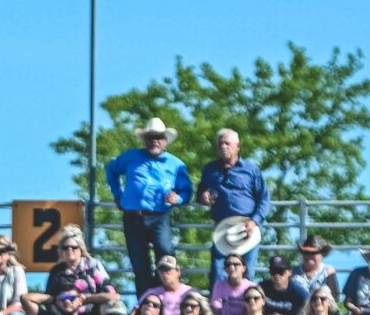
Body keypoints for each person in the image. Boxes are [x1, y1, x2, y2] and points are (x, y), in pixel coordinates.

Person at [104, 118, 191, 298]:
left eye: (159, 137)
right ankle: (145, 303)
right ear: (145, 140)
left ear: (165, 140)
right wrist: (117, 193)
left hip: (159, 217)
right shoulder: (131, 157)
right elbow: (111, 169)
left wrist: (178, 198)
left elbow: (187, 190)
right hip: (133, 217)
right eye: (151, 137)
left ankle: (166, 300)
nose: (155, 141)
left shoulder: (176, 165)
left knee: (166, 257)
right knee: (139, 264)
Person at [196, 129, 268, 286]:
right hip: (222, 229)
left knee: (246, 274)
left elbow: (263, 199)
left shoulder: (251, 169)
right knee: (218, 272)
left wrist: (255, 221)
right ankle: (218, 309)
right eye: (220, 143)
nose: (223, 146)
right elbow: (200, 192)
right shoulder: (209, 169)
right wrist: (203, 197)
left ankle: (247, 309)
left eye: (227, 143)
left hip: (247, 228)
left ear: (237, 146)